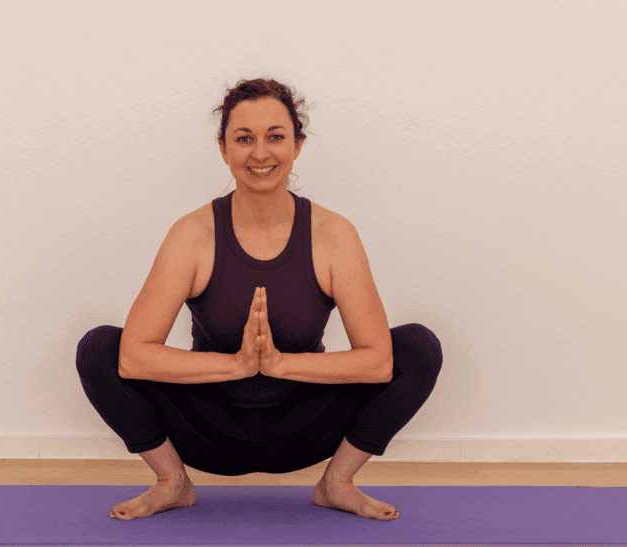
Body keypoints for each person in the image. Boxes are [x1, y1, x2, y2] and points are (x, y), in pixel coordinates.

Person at [76, 78, 442, 522]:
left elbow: (379, 362)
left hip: (306, 427)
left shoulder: (334, 235)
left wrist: (280, 364)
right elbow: (134, 357)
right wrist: (236, 365)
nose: (261, 153)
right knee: (98, 348)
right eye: (244, 138)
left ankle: (337, 482)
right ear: (223, 149)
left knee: (418, 347)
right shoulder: (192, 235)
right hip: (207, 431)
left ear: (297, 145)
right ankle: (173, 481)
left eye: (276, 137)